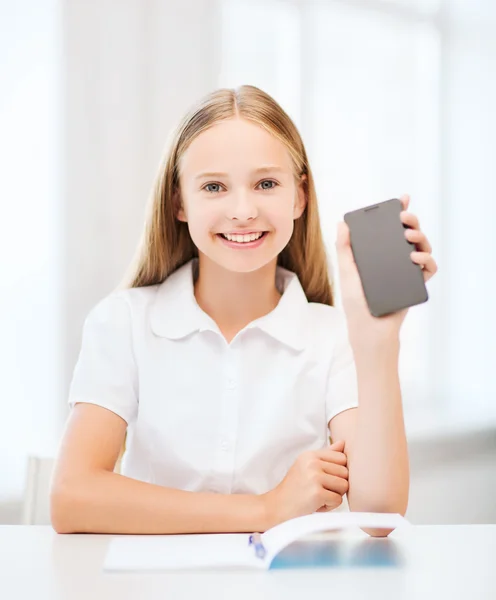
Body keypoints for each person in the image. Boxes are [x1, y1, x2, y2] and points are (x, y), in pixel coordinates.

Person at [50, 85, 437, 536]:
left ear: (299, 197)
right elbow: (72, 497)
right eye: (214, 186)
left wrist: (377, 341)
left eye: (266, 184)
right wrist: (266, 509)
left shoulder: (333, 335)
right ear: (179, 202)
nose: (242, 210)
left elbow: (379, 513)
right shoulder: (124, 322)